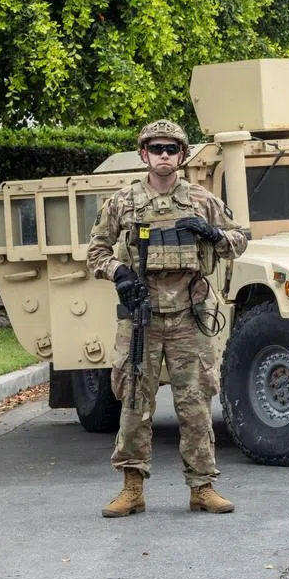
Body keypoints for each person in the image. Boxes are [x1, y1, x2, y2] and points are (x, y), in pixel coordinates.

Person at [87, 120, 248, 518]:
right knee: (134, 402)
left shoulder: (201, 199)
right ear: (143, 154)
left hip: (188, 316)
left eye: (171, 149)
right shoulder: (121, 202)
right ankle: (131, 487)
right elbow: (95, 252)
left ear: (181, 155)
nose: (164, 155)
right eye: (156, 148)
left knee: (195, 403)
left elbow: (240, 239)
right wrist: (117, 273)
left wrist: (212, 234)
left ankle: (202, 487)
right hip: (140, 317)